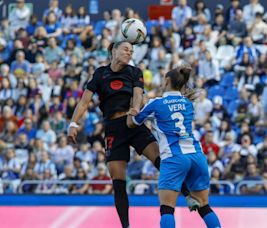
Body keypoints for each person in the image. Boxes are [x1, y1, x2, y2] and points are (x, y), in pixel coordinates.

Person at [67, 40, 199, 228]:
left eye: (132, 50)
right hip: (113, 128)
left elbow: (137, 95)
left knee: (161, 161)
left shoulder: (134, 72)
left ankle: (188, 196)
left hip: (132, 124)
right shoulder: (100, 73)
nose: (129, 53)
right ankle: (126, 226)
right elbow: (83, 102)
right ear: (114, 50)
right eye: (125, 49)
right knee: (118, 181)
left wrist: (135, 111)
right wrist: (73, 123)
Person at [127, 67, 221, 228]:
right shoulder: (188, 103)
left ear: (167, 81)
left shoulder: (156, 103)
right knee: (204, 206)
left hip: (174, 157)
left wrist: (133, 109)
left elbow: (131, 123)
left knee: (167, 209)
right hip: (197, 156)